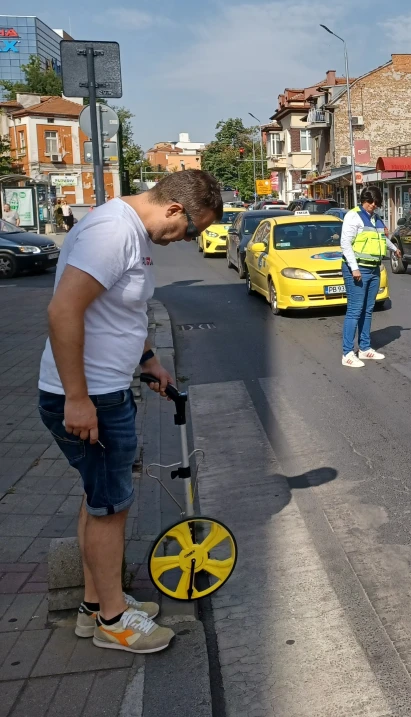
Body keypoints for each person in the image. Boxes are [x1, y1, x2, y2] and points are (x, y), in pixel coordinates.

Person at [38, 170, 222, 654]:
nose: (186, 239)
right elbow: (62, 312)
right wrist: (78, 398)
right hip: (90, 396)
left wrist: (148, 360)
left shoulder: (128, 230)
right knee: (111, 510)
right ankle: (114, 621)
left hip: (102, 389)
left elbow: (122, 310)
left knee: (98, 498)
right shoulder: (114, 231)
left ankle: (95, 606)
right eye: (190, 230)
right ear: (174, 210)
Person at [340, 187, 401, 368]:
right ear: (363, 200)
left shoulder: (375, 218)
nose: (372, 206)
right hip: (358, 270)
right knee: (355, 310)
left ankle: (365, 348)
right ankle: (347, 352)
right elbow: (345, 243)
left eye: (375, 203)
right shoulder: (353, 216)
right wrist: (354, 268)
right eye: (370, 203)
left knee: (367, 310)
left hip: (374, 269)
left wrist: (394, 249)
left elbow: (381, 238)